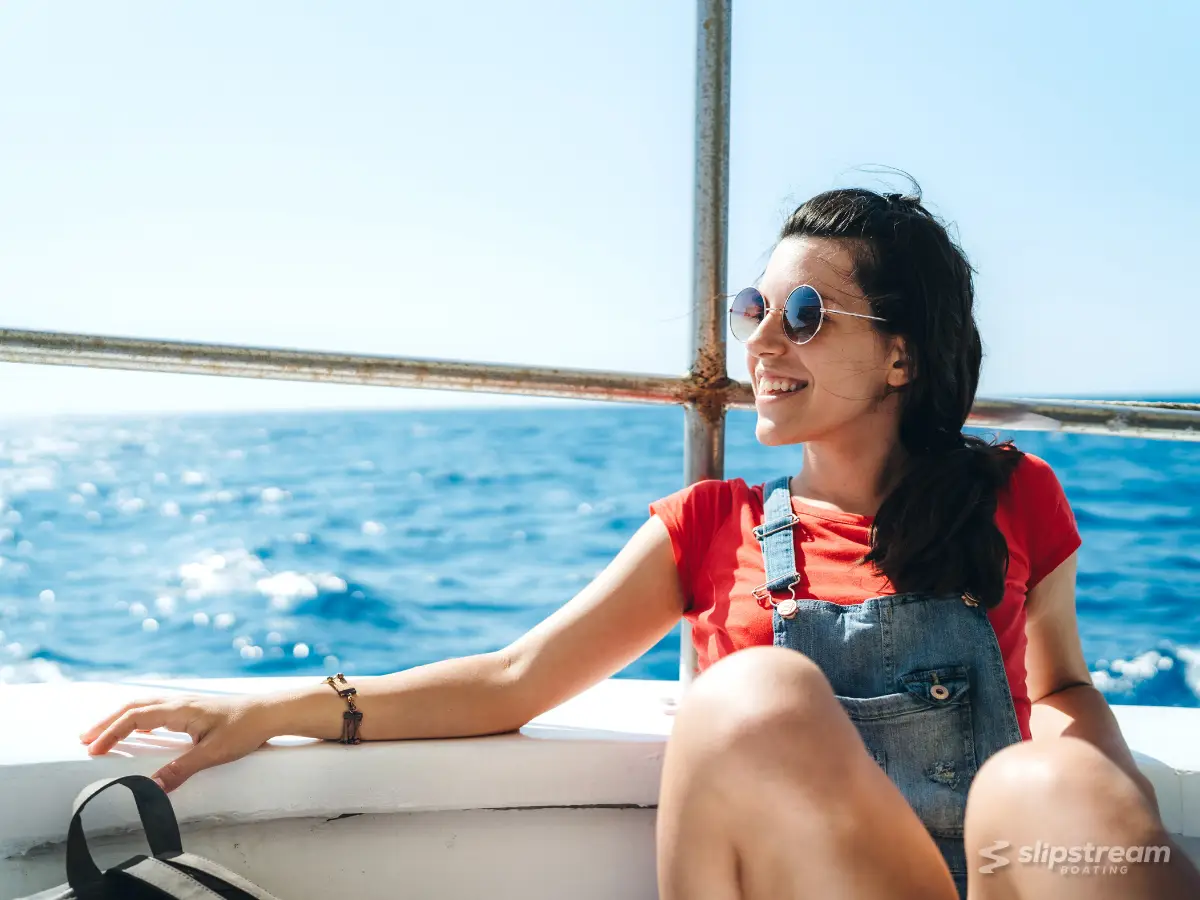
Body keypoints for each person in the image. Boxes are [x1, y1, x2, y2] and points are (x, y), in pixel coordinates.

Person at [80, 186, 1200, 899]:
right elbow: (512, 682)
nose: (759, 340)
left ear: (902, 357)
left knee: (1060, 781)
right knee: (758, 695)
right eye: (751, 308)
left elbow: (1060, 687)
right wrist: (274, 710)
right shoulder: (708, 528)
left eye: (800, 316)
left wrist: (1098, 806)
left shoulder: (1011, 496)